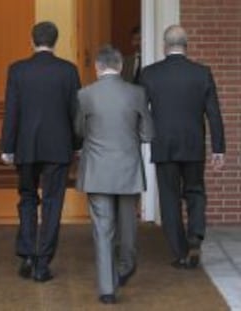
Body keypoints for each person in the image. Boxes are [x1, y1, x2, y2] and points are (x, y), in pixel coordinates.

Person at [1, 21, 81, 282]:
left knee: (26, 198)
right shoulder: (68, 71)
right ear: (55, 41)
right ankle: (42, 262)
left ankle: (26, 253)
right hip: (58, 147)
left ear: (31, 40)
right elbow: (75, 113)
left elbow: (11, 111)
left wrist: (7, 147)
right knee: (52, 202)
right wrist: (77, 144)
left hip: (26, 146)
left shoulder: (18, 70)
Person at [140, 25, 225, 269]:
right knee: (196, 191)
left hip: (164, 145)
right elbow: (214, 114)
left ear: (165, 46)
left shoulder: (150, 74)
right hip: (193, 144)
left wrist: (142, 138)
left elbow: (139, 111)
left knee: (169, 199)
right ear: (186, 46)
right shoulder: (202, 73)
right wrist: (218, 149)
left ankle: (180, 252)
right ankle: (195, 237)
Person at [75, 46, 153, 304]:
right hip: (128, 168)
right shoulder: (137, 93)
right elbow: (148, 134)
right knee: (128, 222)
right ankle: (126, 266)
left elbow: (79, 130)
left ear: (97, 68)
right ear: (121, 67)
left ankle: (107, 289)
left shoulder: (85, 94)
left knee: (102, 228)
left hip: (97, 169)